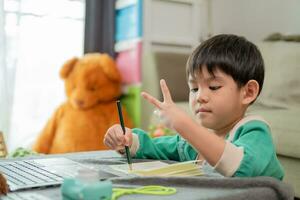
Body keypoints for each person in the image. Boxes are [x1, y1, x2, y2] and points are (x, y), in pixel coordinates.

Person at [104, 34, 284, 180]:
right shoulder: (190, 142)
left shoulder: (255, 132)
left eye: (213, 87)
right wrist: (127, 139)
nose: (200, 97)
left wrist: (184, 125)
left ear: (248, 92)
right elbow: (153, 147)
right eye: (194, 88)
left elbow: (240, 166)